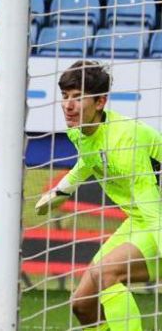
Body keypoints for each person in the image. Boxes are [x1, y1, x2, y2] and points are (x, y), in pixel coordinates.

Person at [35, 60, 162, 331]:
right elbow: (88, 161)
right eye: (65, 97)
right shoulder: (79, 130)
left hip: (157, 219)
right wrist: (63, 189)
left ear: (100, 102)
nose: (68, 105)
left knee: (106, 274)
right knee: (83, 303)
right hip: (141, 220)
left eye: (78, 98)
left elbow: (152, 204)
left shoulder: (126, 140)